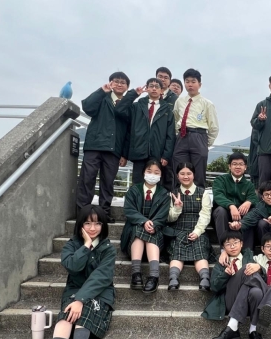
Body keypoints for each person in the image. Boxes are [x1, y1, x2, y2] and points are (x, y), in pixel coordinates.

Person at [37, 205, 115, 339]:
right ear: (80, 225)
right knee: (66, 315)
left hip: (100, 292)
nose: (93, 228)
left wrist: (81, 299)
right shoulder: (72, 245)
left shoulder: (108, 248)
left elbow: (101, 277)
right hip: (74, 289)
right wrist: (86, 245)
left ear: (103, 225)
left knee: (85, 311)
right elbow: (72, 266)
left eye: (97, 223)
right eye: (87, 223)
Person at [77, 72, 130, 223]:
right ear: (110, 83)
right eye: (116, 81)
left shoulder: (128, 105)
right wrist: (101, 91)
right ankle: (82, 212)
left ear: (127, 87)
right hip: (94, 146)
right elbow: (87, 107)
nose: (119, 84)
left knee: (108, 183)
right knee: (87, 179)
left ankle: (104, 213)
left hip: (114, 149)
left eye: (123, 82)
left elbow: (129, 132)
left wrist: (125, 154)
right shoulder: (102, 98)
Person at [204, 231, 268, 339]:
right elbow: (214, 287)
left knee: (256, 292)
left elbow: (262, 278)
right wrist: (225, 275)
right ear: (223, 247)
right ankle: (268, 298)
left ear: (241, 244)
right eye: (228, 244)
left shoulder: (249, 257)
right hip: (230, 300)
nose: (232, 246)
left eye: (235, 243)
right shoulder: (221, 262)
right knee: (246, 269)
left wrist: (259, 268)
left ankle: (252, 330)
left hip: (249, 301)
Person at [120, 160, 171, 294]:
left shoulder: (164, 194)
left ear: (161, 175)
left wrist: (154, 224)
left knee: (150, 232)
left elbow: (163, 214)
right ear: (143, 172)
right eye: (149, 171)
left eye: (156, 172)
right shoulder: (133, 190)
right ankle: (136, 273)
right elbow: (129, 210)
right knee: (139, 230)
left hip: (156, 230)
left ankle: (153, 276)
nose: (152, 175)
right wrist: (143, 221)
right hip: (133, 232)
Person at [115, 78, 176, 186]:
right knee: (137, 184)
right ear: (147, 89)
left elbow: (170, 135)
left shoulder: (167, 110)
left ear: (161, 90)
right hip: (139, 151)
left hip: (157, 153)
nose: (154, 89)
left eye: (157, 87)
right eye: (151, 86)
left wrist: (166, 155)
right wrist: (134, 94)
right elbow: (120, 110)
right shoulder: (137, 106)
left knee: (156, 184)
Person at [166, 162, 213, 291]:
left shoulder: (203, 193)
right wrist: (177, 208)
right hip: (178, 230)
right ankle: (173, 278)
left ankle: (205, 278)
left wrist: (197, 231)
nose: (185, 176)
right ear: (177, 176)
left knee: (200, 250)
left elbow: (205, 215)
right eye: (182, 174)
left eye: (189, 173)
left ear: (194, 175)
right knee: (177, 252)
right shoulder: (172, 194)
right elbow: (169, 218)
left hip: (198, 230)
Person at [173, 68, 220, 189]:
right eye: (187, 81)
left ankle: (199, 198)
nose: (190, 84)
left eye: (193, 81)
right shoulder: (179, 101)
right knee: (179, 170)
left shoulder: (207, 103)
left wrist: (205, 143)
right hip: (182, 137)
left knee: (198, 173)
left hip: (199, 136)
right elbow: (175, 119)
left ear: (199, 84)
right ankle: (178, 198)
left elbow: (214, 127)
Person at [229, 180, 271, 250]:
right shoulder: (259, 207)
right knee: (261, 223)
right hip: (266, 235)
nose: (270, 197)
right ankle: (265, 249)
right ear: (262, 197)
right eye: (266, 194)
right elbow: (249, 218)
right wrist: (239, 225)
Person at [212, 152, 258, 247]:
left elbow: (254, 197)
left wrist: (248, 202)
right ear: (229, 166)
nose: (238, 167)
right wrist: (231, 206)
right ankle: (224, 248)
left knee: (251, 213)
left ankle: (247, 251)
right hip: (223, 216)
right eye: (234, 164)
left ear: (245, 167)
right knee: (220, 211)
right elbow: (218, 195)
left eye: (241, 164)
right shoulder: (220, 180)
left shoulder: (249, 185)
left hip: (242, 216)